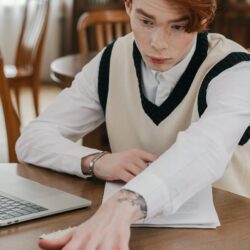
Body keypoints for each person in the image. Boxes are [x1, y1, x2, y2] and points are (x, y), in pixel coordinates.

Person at [16, 0, 250, 249]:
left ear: (203, 20)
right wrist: (96, 161)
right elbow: (32, 139)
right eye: (146, 22)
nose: (158, 43)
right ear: (128, 6)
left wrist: (126, 203)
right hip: (137, 236)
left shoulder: (236, 71)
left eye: (179, 27)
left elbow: (207, 148)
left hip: (229, 233)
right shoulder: (111, 60)